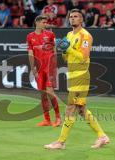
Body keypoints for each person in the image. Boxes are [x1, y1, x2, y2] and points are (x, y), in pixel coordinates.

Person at [44, 9, 109, 150]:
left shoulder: (86, 35)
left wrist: (69, 48)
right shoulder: (68, 34)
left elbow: (84, 56)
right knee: (81, 110)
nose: (73, 19)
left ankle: (60, 142)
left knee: (70, 109)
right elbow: (66, 57)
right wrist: (63, 50)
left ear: (81, 20)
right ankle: (102, 136)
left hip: (81, 75)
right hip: (72, 75)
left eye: (76, 17)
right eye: (71, 17)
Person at [26, 15, 61, 127]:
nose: (45, 24)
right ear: (37, 22)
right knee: (42, 94)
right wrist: (33, 68)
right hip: (39, 68)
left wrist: (54, 64)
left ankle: (58, 118)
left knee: (50, 92)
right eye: (43, 22)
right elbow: (30, 53)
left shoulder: (50, 35)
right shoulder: (30, 36)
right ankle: (47, 120)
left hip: (49, 67)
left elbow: (55, 51)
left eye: (46, 23)